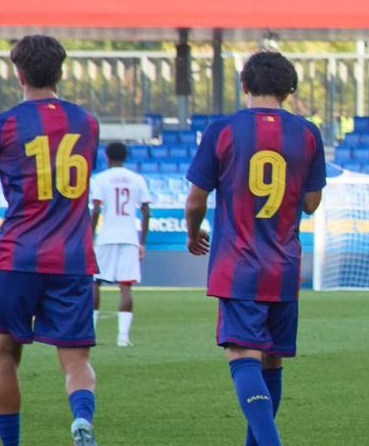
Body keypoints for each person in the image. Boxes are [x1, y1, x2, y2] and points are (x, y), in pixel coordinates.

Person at [0, 35, 100, 446]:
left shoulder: (4, 125)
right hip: (72, 258)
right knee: (76, 359)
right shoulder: (87, 123)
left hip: (18, 255)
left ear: (18, 73)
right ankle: (81, 419)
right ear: (60, 72)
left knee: (6, 354)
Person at [184, 51, 327, 446]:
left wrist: (193, 231)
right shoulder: (308, 133)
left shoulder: (223, 130)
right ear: (290, 90)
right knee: (272, 360)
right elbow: (312, 203)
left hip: (238, 263)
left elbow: (196, 200)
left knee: (242, 356)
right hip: (283, 264)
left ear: (244, 86)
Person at [90, 142, 152, 346]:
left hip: (106, 237)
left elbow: (96, 209)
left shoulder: (99, 179)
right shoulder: (137, 179)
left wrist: (90, 238)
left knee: (95, 283)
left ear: (107, 157)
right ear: (125, 157)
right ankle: (123, 338)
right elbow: (145, 210)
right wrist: (142, 242)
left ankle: (91, 333)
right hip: (129, 238)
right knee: (125, 286)